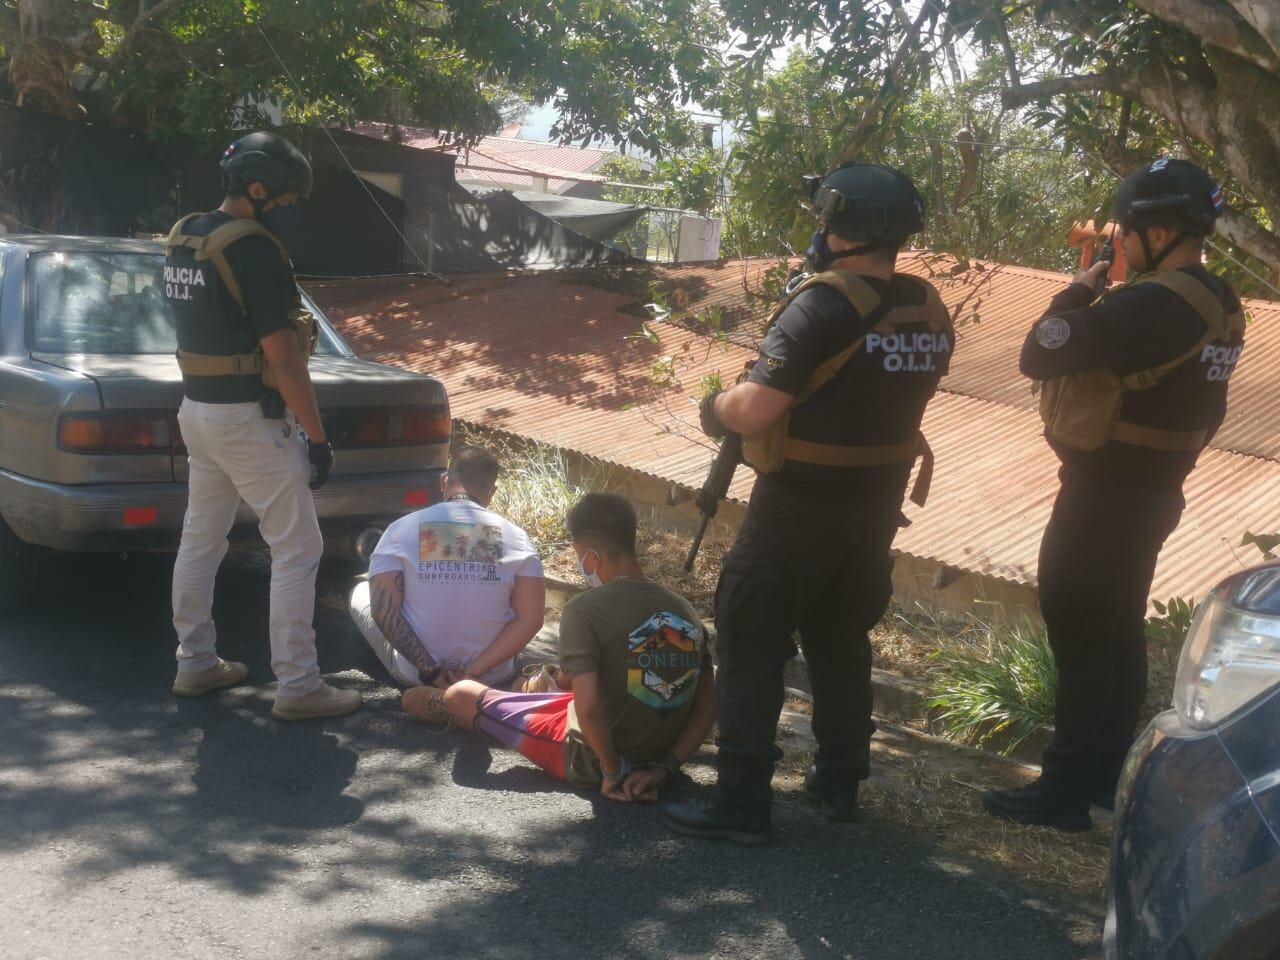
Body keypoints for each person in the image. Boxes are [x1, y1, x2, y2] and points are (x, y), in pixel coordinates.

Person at [662, 162, 954, 845]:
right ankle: (840, 781)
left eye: (825, 217)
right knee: (839, 639)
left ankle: (740, 802)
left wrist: (715, 408)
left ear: (840, 223)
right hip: (875, 509)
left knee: (751, 635)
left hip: (799, 508)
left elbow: (759, 405)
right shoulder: (925, 306)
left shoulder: (822, 304)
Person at [983, 158, 1245, 831]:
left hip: (1105, 492)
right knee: (1116, 629)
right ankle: (1103, 778)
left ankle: (1063, 789)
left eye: (1125, 232)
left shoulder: (1154, 302)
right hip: (1155, 489)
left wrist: (1074, 293)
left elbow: (1040, 353)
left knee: (1078, 627)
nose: (1119, 245)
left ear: (1157, 231)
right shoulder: (1219, 299)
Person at [167, 131, 361, 721]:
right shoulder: (254, 250)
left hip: (197, 413)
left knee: (202, 539)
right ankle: (300, 686)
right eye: (287, 196)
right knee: (299, 547)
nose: (292, 208)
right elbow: (285, 360)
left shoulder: (186, 237)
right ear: (259, 188)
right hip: (248, 422)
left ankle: (196, 663)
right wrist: (319, 438)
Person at [441, 493, 716, 801]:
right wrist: (666, 768)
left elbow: (587, 707)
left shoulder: (585, 609)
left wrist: (612, 771)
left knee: (458, 695)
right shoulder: (686, 612)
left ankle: (445, 705)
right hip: (658, 759)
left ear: (592, 556)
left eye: (578, 555)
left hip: (590, 758)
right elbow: (706, 707)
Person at [350, 445, 545, 720]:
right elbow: (532, 619)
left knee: (361, 592)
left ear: (444, 481)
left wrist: (429, 670)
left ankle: (439, 696)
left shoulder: (401, 529)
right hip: (490, 673)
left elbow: (384, 610)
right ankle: (470, 693)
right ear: (492, 492)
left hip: (418, 672)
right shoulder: (518, 538)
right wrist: (471, 673)